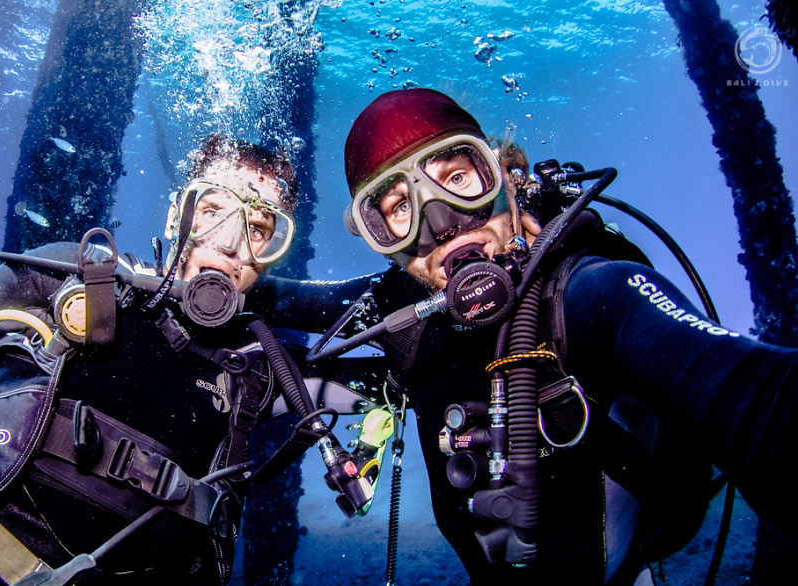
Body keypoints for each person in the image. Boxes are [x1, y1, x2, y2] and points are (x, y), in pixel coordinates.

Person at [246, 88, 798, 583]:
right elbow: (276, 299)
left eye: (457, 178)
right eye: (397, 208)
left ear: (504, 177)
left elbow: (756, 397)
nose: (442, 223)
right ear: (382, 240)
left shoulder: (595, 293)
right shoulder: (405, 312)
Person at [0, 135, 333, 584]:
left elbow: (391, 362)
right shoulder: (69, 276)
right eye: (212, 212)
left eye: (258, 230)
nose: (230, 245)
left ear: (272, 256)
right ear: (178, 216)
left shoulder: (258, 368)